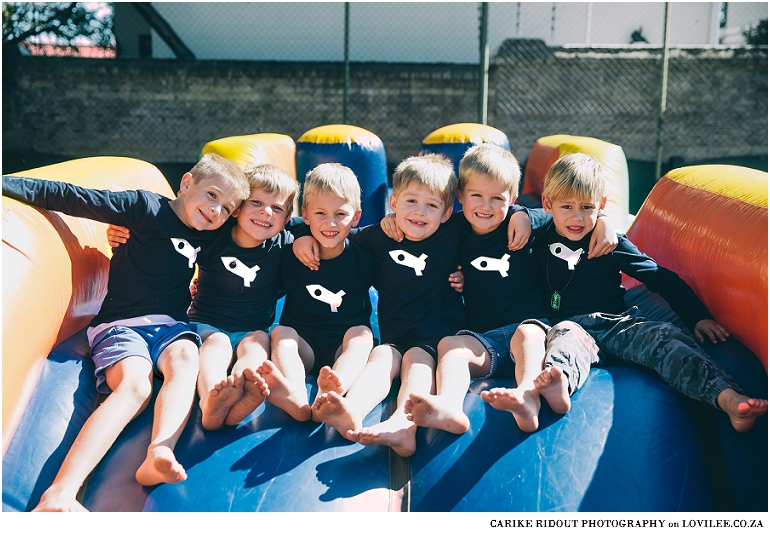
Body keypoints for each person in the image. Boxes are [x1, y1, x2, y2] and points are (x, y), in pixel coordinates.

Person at [3, 154, 250, 511]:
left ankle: (159, 450)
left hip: (170, 327)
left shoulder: (209, 237)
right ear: (186, 183)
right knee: (136, 387)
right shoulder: (143, 207)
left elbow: (260, 235)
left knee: (186, 357)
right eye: (212, 195)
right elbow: (72, 196)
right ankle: (59, 492)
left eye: (226, 208)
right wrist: (6, 183)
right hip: (121, 324)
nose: (217, 211)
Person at [483, 152, 768, 433]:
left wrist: (697, 318)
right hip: (571, 326)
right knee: (563, 343)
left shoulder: (609, 242)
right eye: (566, 207)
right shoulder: (543, 230)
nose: (577, 217)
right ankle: (558, 385)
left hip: (616, 323)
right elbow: (516, 215)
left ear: (601, 205)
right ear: (548, 204)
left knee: (664, 338)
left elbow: (660, 277)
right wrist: (519, 214)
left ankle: (729, 399)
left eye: (587, 207)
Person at [381, 144, 616, 435]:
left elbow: (559, 215)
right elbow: (419, 225)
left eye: (497, 198)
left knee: (527, 333)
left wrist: (604, 222)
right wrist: (390, 220)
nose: (485, 206)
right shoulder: (453, 229)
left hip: (529, 328)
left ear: (512, 199)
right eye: (476, 196)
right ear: (460, 197)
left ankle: (528, 398)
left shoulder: (524, 224)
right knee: (448, 346)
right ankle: (449, 407)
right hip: (483, 339)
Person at [293, 154, 465, 456]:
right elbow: (331, 229)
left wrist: (521, 217)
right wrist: (302, 237)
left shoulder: (453, 234)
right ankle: (352, 409)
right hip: (394, 337)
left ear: (447, 212)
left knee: (416, 360)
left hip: (436, 339)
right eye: (411, 202)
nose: (420, 212)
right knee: (382, 355)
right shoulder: (378, 237)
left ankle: (403, 425)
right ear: (394, 203)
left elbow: (499, 221)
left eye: (432, 206)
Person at [254, 163, 376, 425]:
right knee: (280, 332)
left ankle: (330, 393)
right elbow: (271, 227)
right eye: (320, 213)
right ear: (306, 215)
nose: (330, 223)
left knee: (362, 335)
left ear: (356, 217)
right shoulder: (289, 248)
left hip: (341, 346)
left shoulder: (365, 256)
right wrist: (298, 236)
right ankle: (295, 392)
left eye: (340, 214)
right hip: (304, 345)